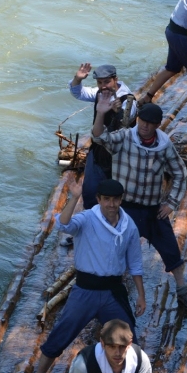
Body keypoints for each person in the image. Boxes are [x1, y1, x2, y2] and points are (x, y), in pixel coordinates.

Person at [28, 177, 145, 373]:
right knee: (61, 333)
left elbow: (135, 263)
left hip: (112, 292)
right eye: (106, 199)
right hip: (84, 291)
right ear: (98, 199)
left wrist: (141, 295)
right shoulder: (87, 218)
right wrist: (74, 197)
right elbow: (63, 225)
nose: (111, 204)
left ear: (121, 200)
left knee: (127, 337)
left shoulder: (129, 226)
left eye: (115, 199)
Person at [91, 98, 187, 310]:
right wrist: (100, 113)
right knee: (113, 251)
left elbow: (180, 173)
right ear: (138, 120)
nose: (145, 126)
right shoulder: (125, 137)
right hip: (125, 209)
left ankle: (182, 292)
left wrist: (171, 203)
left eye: (150, 123)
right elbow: (99, 137)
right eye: (142, 121)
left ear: (157, 125)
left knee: (171, 250)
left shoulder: (164, 145)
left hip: (152, 210)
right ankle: (106, 292)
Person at [61, 64, 137, 247]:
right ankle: (89, 232)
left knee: (116, 198)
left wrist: (116, 112)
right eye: (100, 83)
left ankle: (116, 235)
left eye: (107, 82)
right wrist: (78, 78)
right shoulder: (100, 94)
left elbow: (125, 126)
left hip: (119, 158)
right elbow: (78, 93)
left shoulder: (127, 101)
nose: (103, 86)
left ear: (115, 79)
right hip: (98, 152)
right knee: (90, 193)